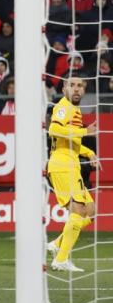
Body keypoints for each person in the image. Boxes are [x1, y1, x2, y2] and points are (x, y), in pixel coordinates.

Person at [46, 77, 99, 272]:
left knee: (91, 211)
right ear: (64, 88)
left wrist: (89, 152)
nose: (77, 89)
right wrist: (85, 131)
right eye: (72, 85)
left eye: (80, 86)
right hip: (62, 165)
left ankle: (57, 244)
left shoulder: (74, 110)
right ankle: (60, 259)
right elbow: (53, 128)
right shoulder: (63, 106)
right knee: (78, 212)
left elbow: (71, 141)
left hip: (71, 163)